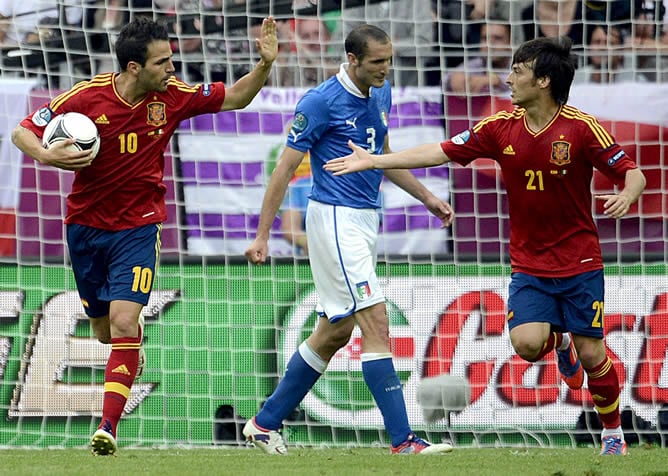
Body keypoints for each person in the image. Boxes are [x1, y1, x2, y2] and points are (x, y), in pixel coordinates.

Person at [325, 35, 646, 456]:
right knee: (528, 345)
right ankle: (559, 342)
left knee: (593, 353)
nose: (508, 77)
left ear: (544, 80)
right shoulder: (499, 126)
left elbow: (633, 172)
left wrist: (628, 193)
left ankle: (612, 434)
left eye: (518, 70)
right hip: (529, 261)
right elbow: (438, 152)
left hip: (580, 259)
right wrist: (375, 160)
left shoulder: (581, 128)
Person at [11, 15, 277, 456]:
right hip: (86, 227)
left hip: (139, 226)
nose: (172, 69)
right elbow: (23, 131)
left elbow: (235, 97)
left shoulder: (172, 96)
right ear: (134, 67)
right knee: (103, 331)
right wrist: (46, 154)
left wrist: (264, 65)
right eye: (163, 62)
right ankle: (127, 357)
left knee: (123, 323)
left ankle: (107, 427)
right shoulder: (87, 96)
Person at [244, 24, 454, 455]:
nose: (385, 68)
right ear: (353, 59)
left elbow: (383, 157)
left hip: (363, 221)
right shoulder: (320, 102)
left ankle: (264, 424)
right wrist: (263, 235)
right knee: (376, 322)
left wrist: (427, 196)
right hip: (334, 220)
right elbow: (283, 171)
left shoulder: (381, 91)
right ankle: (403, 439)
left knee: (334, 331)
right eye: (377, 62)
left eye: (389, 60)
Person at [445, 20, 512, 95]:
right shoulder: (477, 63)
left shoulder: (521, 64)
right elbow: (444, 79)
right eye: (484, 38)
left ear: (511, 43)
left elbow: (524, 82)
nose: (489, 45)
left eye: (497, 38)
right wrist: (452, 78)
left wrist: (496, 81)